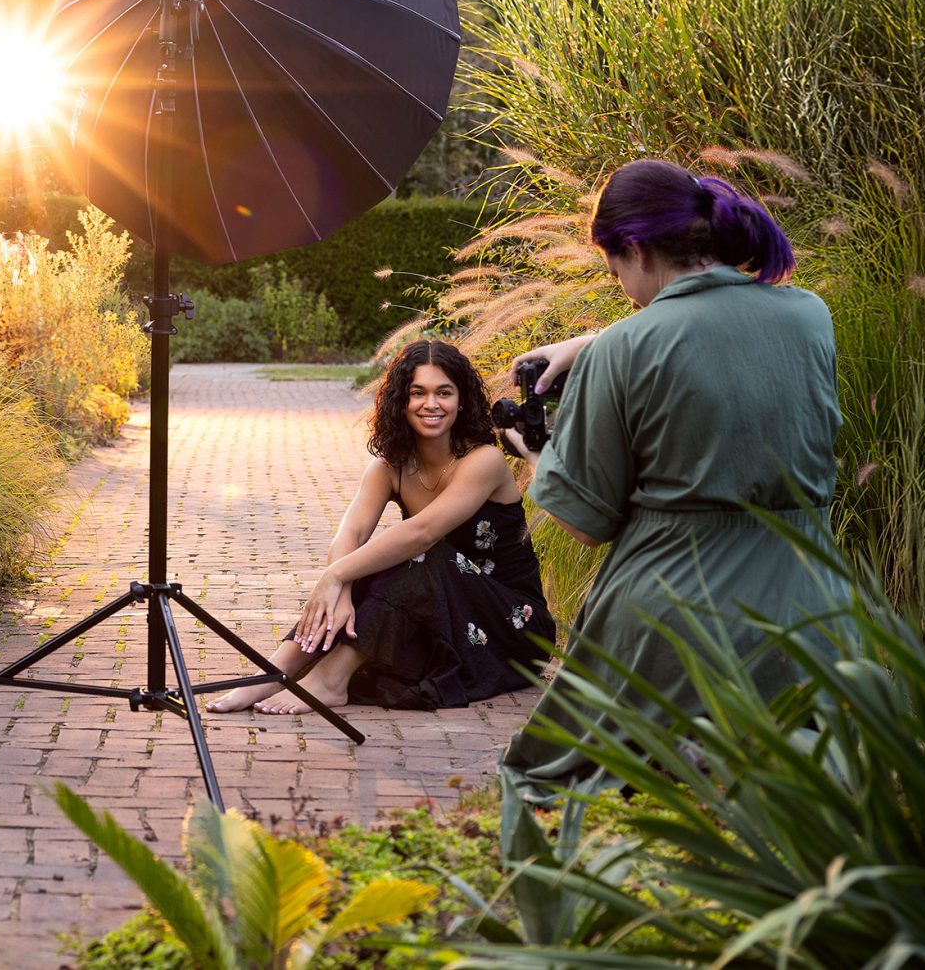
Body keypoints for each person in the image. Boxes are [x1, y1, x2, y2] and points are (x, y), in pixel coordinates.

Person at [497, 158, 849, 802]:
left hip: (676, 617)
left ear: (633, 248)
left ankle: (681, 749)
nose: (626, 296)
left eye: (617, 274)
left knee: (548, 775)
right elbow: (716, 327)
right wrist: (599, 338)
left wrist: (533, 453)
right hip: (813, 613)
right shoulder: (810, 316)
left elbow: (584, 523)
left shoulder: (625, 348)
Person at [206, 339, 556, 715]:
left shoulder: (484, 460)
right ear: (399, 400)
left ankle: (329, 681)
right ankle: (273, 672)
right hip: (437, 610)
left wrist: (334, 576)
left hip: (508, 624)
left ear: (463, 399)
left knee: (418, 551)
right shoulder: (390, 466)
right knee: (377, 560)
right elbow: (352, 534)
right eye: (417, 393)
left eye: (444, 393)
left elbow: (422, 533)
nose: (431, 404)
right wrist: (339, 588)